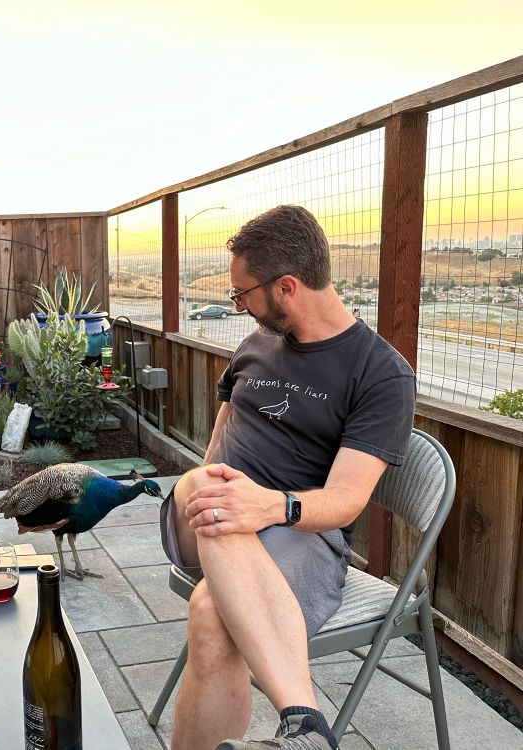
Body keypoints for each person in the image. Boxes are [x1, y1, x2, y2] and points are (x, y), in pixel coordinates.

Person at [160, 206, 415, 750]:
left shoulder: (380, 373)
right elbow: (216, 444)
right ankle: (308, 720)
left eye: (242, 293)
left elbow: (345, 500)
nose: (239, 306)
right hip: (203, 512)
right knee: (208, 486)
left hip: (300, 534)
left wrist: (270, 506)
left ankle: (302, 728)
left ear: (286, 287)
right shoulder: (253, 346)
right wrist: (225, 492)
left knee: (212, 616)